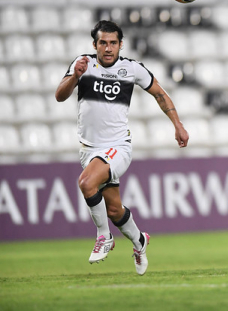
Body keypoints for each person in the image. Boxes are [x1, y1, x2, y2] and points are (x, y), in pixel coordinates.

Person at [55, 20, 189, 275]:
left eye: (113, 43)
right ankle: (139, 241)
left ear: (120, 44)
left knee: (86, 183)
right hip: (88, 149)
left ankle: (104, 236)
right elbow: (59, 96)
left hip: (118, 146)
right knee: (114, 209)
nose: (108, 48)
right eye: (102, 43)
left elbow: (160, 93)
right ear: (94, 45)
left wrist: (178, 125)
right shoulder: (82, 63)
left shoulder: (131, 69)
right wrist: (75, 76)